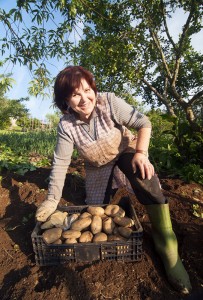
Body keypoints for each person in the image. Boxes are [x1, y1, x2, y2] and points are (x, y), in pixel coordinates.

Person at [36, 66, 191, 294]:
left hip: (125, 152)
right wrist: (52, 199)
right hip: (97, 166)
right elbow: (60, 163)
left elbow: (143, 123)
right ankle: (111, 196)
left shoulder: (109, 102)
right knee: (96, 209)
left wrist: (141, 153)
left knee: (145, 177)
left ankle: (168, 248)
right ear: (65, 100)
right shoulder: (66, 125)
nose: (84, 98)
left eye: (87, 90)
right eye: (75, 94)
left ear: (93, 89)